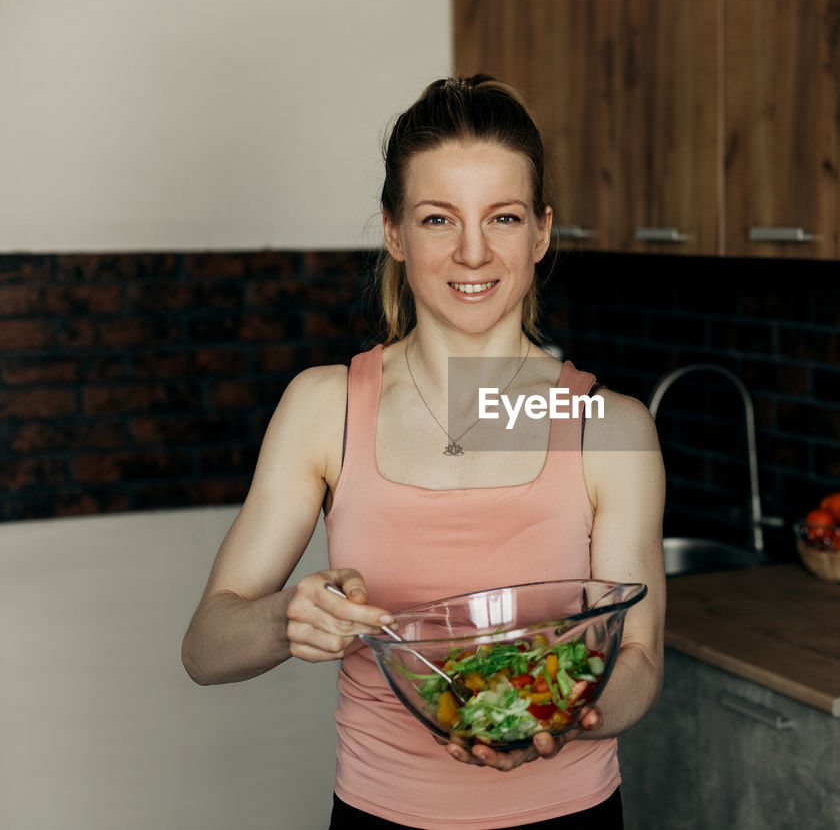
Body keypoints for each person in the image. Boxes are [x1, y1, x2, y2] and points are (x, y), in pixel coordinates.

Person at [181, 75, 667, 829]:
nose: (473, 253)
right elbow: (206, 646)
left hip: (570, 814)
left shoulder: (610, 423)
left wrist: (565, 716)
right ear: (395, 232)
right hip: (379, 817)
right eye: (439, 219)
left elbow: (638, 661)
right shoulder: (326, 407)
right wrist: (288, 618)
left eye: (502, 217)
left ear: (540, 232)